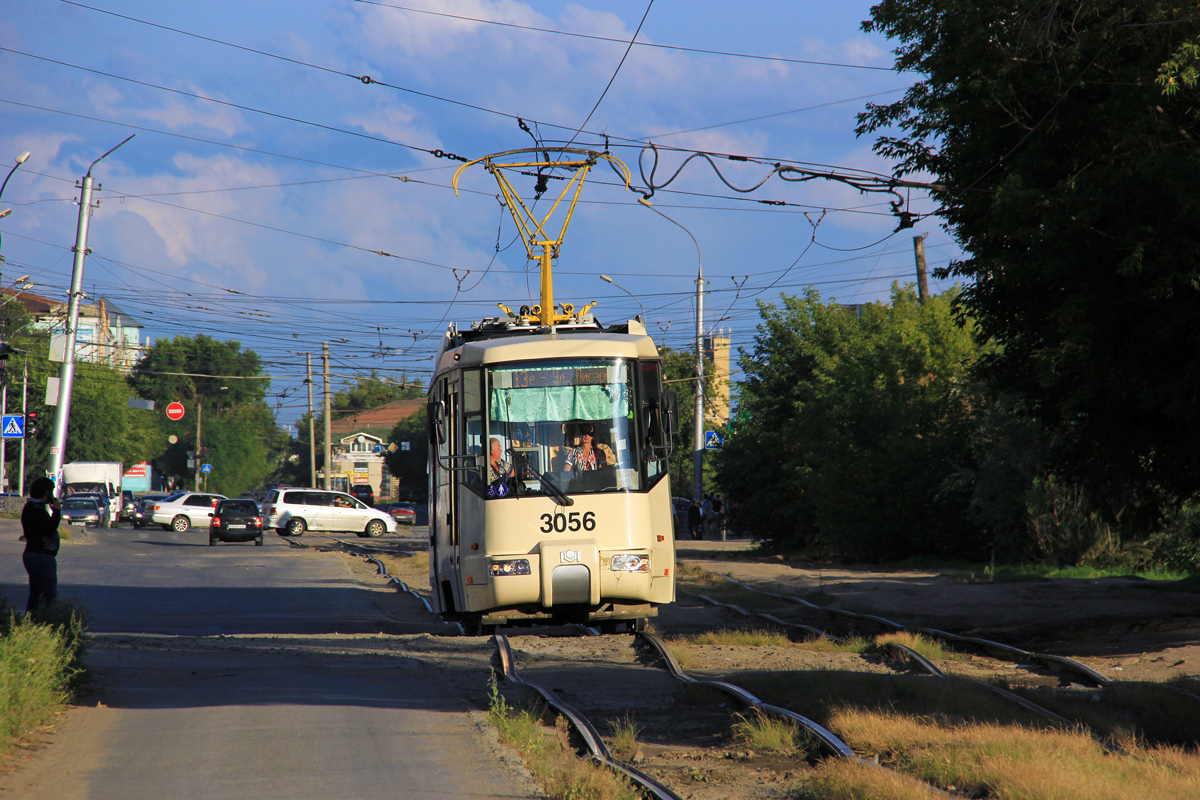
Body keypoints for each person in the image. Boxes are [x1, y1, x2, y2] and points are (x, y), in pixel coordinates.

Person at [22, 477, 62, 613]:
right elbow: (49, 527)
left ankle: (32, 620)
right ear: (46, 492)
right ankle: (44, 621)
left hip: (36, 554)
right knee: (47, 594)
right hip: (40, 555)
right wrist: (56, 511)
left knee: (37, 593)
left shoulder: (33, 508)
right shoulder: (35, 509)